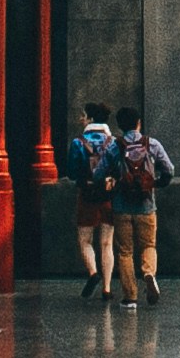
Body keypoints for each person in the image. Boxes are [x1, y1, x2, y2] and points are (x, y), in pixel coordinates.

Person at [108, 107, 173, 305]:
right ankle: (148, 273)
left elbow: (100, 171)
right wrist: (155, 183)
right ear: (138, 122)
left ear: (120, 125)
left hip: (121, 206)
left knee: (125, 251)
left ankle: (130, 297)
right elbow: (169, 169)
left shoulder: (115, 146)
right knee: (148, 245)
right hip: (146, 205)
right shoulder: (152, 144)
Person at [67, 107, 119, 302]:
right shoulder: (112, 142)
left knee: (85, 240)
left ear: (90, 118)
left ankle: (92, 272)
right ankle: (107, 288)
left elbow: (72, 172)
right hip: (108, 196)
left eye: (83, 115)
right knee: (107, 243)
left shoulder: (78, 143)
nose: (81, 119)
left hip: (87, 195)